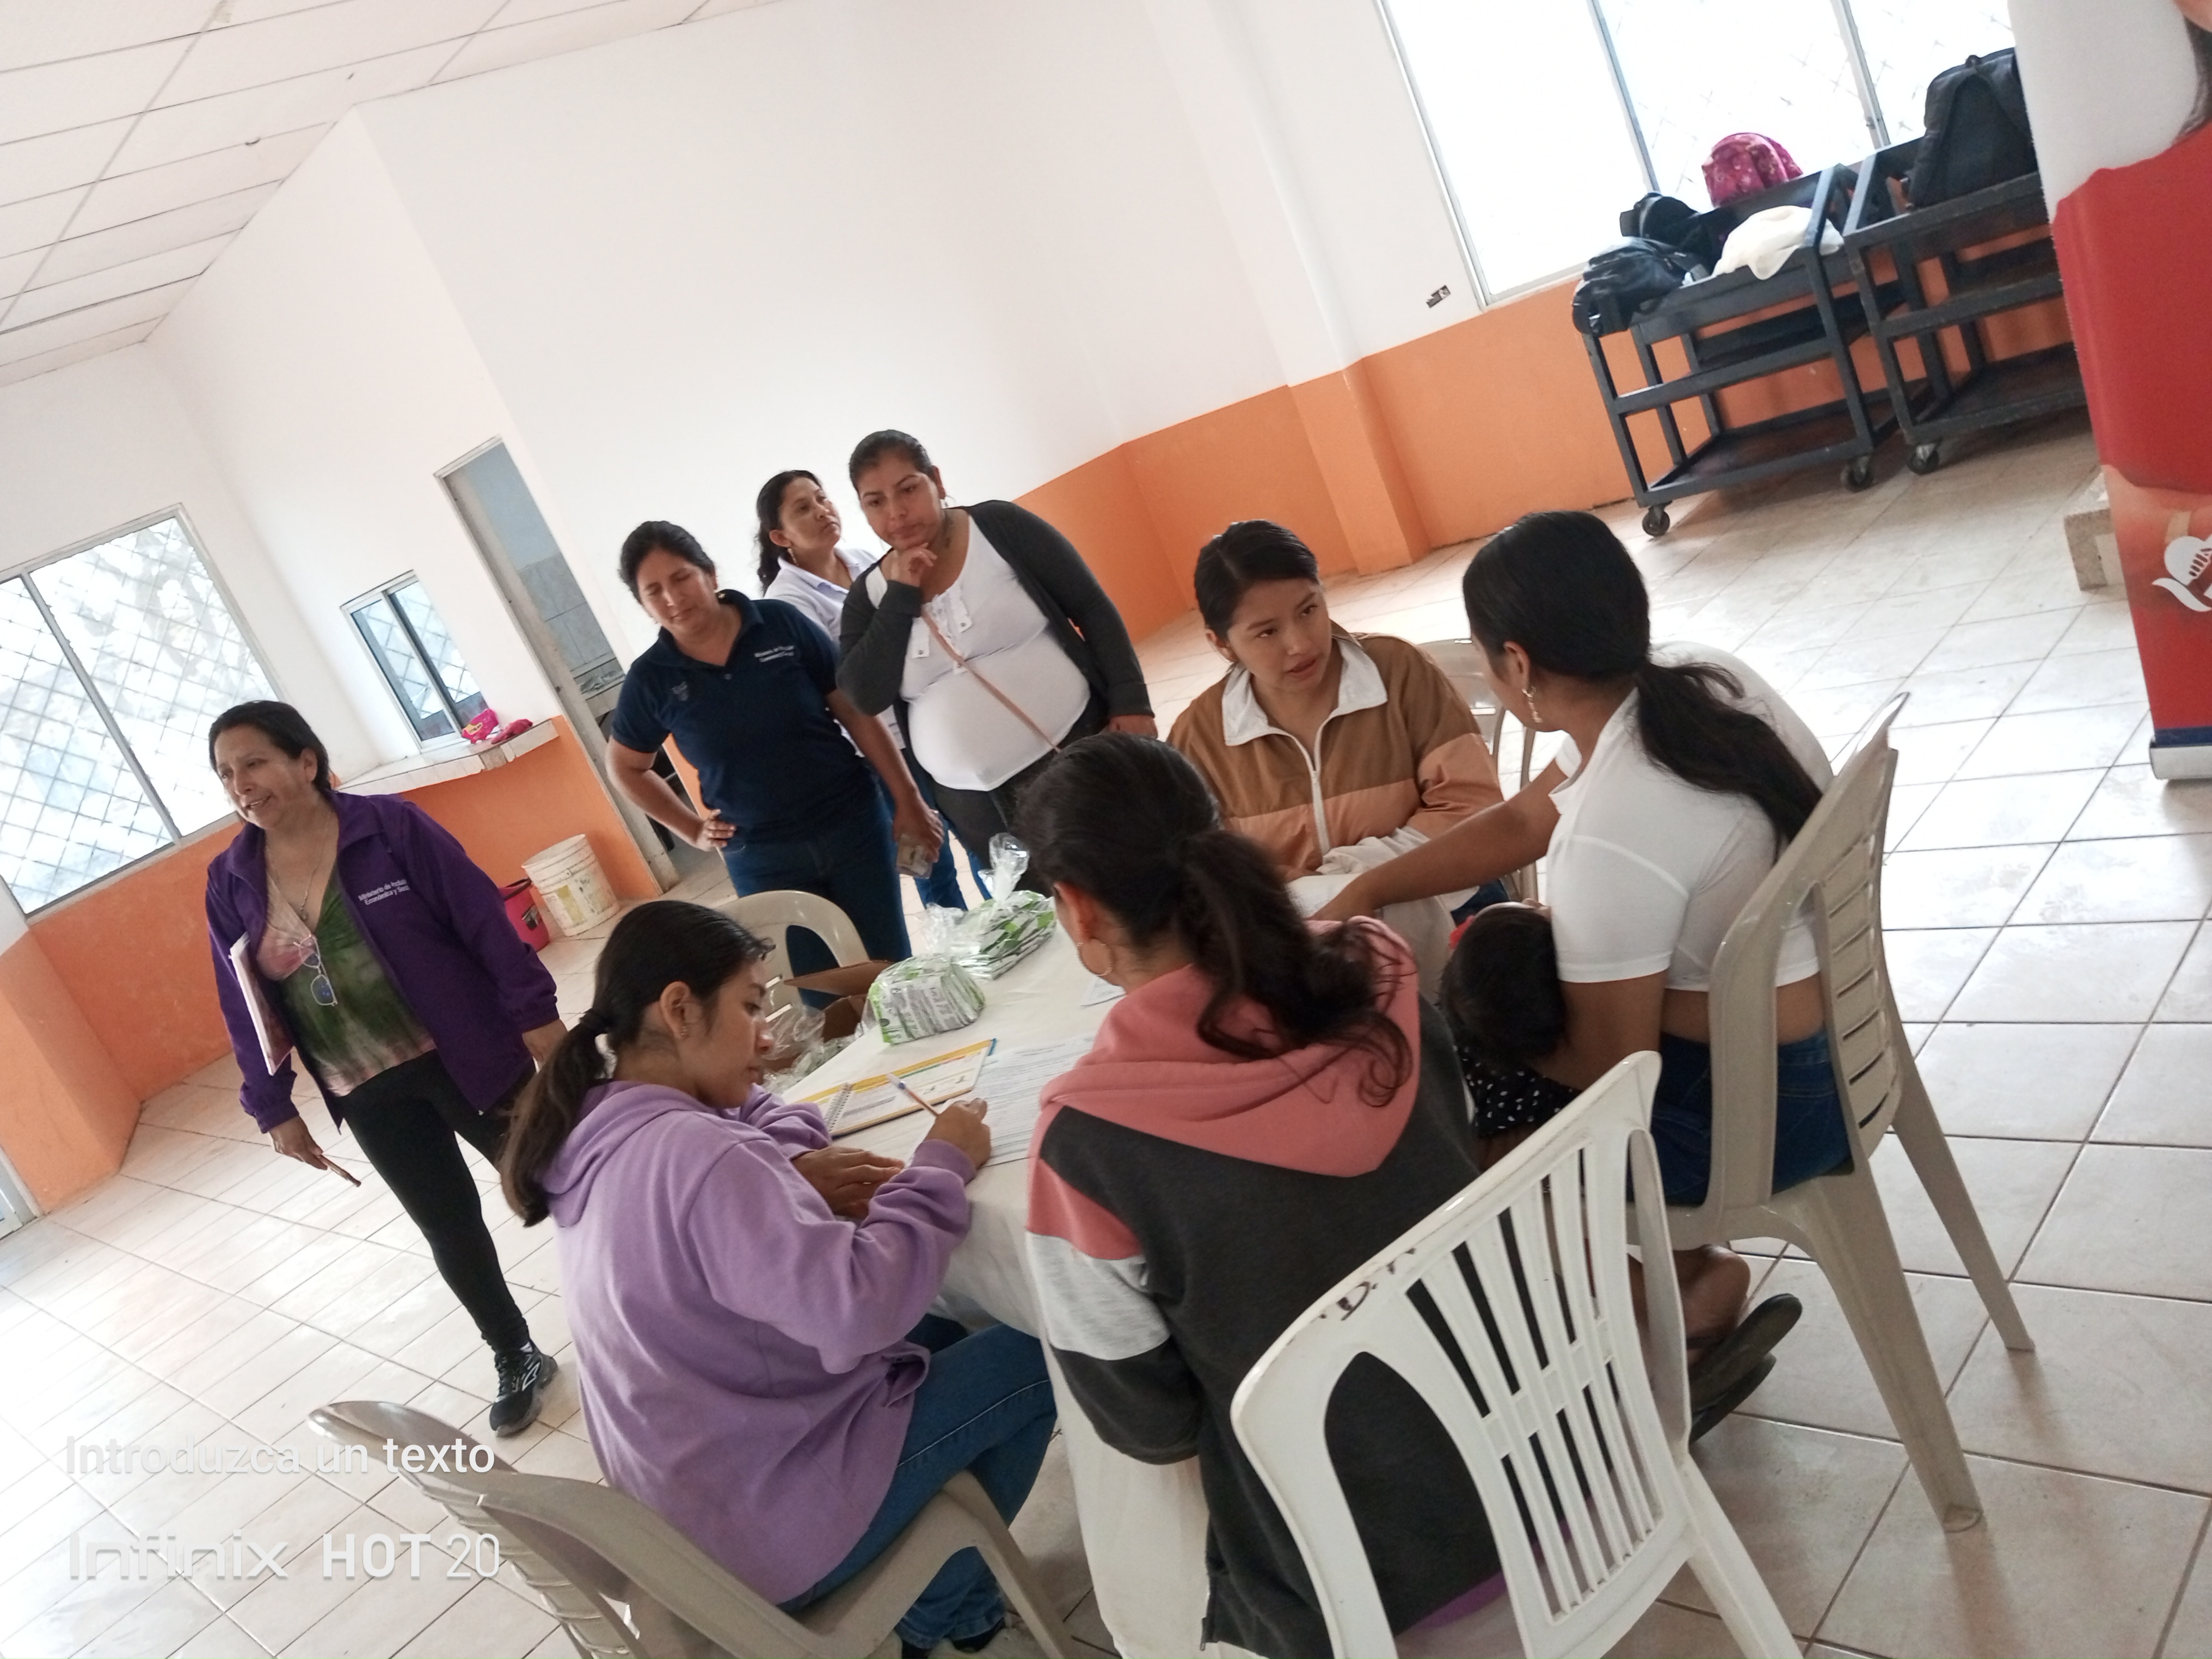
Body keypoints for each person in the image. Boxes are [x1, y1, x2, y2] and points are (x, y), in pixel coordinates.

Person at [1316, 511, 1843, 1394]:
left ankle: (1656, 1318)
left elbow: (1612, 1073)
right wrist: (1371, 887)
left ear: (1517, 664)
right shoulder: (1700, 683)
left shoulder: (1609, 831)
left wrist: (1484, 1021)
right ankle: (1692, 1276)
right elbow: (1523, 819)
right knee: (1505, 1019)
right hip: (1830, 1046)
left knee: (1467, 1114)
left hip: (1770, 1117)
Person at [1017, 734, 1500, 1659]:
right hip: (1548, 1452)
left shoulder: (1086, 1148)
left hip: (1353, 1581)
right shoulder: (1378, 966)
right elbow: (1460, 1140)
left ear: (1076, 907)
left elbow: (1146, 1422)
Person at [499, 901, 1055, 1658]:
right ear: (679, 1010)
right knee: (1043, 1346)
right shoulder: (703, 1157)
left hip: (695, 1505)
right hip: (762, 1527)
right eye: (750, 1007)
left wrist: (786, 1160)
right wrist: (941, 1165)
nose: (765, 1036)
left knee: (946, 1327)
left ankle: (960, 1600)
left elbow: (755, 1120)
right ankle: (941, 1608)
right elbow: (861, 1310)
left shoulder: (598, 1125)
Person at [204, 701, 561, 1435]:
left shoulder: (390, 829)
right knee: (449, 1226)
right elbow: (241, 1000)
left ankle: (660, 1291)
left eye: (254, 763)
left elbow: (480, 919)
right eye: (227, 774)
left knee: (562, 1182)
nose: (241, 785)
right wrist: (273, 1106)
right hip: (365, 1086)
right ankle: (514, 1353)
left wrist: (535, 1015)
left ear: (306, 761)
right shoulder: (231, 880)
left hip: (468, 1052)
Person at [1169, 519, 1504, 987]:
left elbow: (1472, 806)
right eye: (1267, 632)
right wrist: (1315, 895)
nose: (1300, 643)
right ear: (1222, 644)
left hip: (1447, 907)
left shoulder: (1398, 671)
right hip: (1302, 946)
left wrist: (1349, 879)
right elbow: (1206, 867)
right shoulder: (1199, 736)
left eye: (1309, 609)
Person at [604, 520, 940, 975]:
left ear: (710, 573)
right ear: (643, 605)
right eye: (654, 591)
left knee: (890, 966)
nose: (672, 598)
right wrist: (691, 829)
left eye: (681, 578)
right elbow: (625, 767)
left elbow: (856, 714)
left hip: (852, 826)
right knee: (819, 986)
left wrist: (907, 798)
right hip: (762, 857)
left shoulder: (780, 624)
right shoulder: (652, 679)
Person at [837, 430, 1155, 877]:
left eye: (908, 489)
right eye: (876, 502)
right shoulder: (868, 597)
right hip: (975, 802)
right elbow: (864, 694)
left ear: (936, 481)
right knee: (1045, 908)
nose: (896, 512)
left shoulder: (999, 527)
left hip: (1076, 745)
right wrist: (900, 596)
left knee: (1131, 872)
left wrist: (1131, 701)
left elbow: (1091, 606)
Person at [754, 467, 984, 910]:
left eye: (821, 498)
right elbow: (840, 682)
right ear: (781, 537)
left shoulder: (862, 560)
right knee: (927, 858)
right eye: (803, 508)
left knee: (976, 833)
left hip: (926, 719)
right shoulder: (788, 602)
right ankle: (954, 936)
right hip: (881, 749)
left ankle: (1011, 926)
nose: (822, 511)